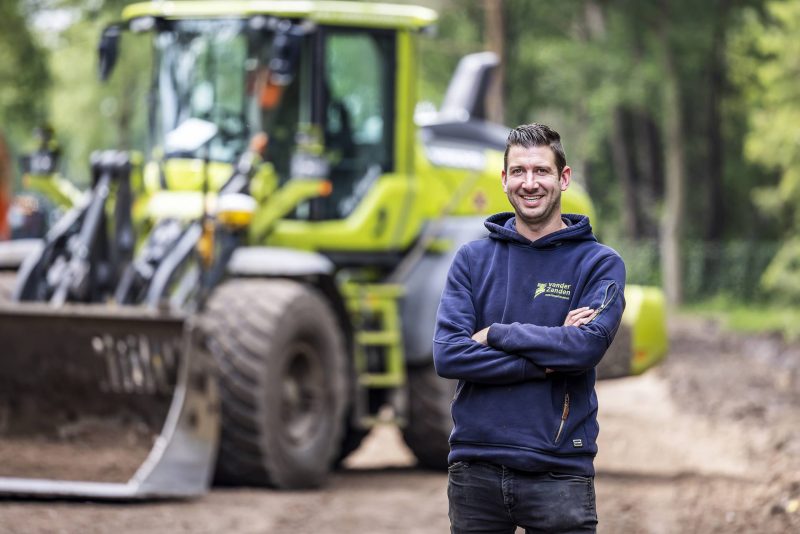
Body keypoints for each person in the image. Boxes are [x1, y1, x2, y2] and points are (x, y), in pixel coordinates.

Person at [433, 123, 626, 533]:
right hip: (475, 471)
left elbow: (584, 349)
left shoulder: (599, 264)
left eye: (541, 171)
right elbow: (449, 355)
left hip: (559, 473)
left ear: (563, 178)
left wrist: (496, 334)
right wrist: (545, 361)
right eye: (519, 171)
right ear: (504, 180)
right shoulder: (471, 260)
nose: (530, 183)